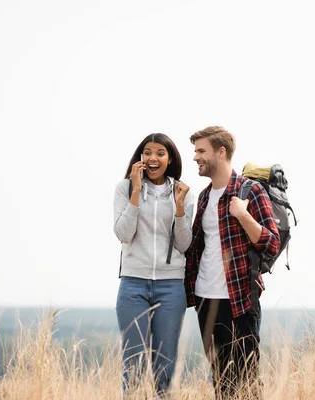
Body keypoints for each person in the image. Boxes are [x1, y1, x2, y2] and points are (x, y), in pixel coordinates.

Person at [184, 126, 280, 399]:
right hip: (205, 301)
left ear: (221, 152)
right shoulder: (204, 196)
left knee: (247, 383)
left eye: (201, 151)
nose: (195, 157)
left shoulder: (250, 191)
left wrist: (243, 215)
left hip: (239, 301)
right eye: (195, 151)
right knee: (221, 383)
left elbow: (271, 243)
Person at [113, 133, 194, 397]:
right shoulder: (124, 189)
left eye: (160, 152)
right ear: (140, 157)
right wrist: (136, 192)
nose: (152, 158)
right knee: (133, 364)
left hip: (171, 287)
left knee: (165, 366)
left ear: (169, 159)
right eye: (147, 152)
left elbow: (183, 244)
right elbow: (124, 234)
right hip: (133, 285)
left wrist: (179, 208)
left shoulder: (182, 192)